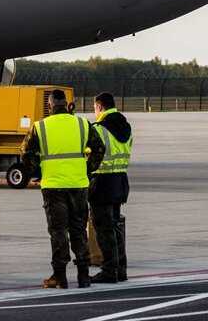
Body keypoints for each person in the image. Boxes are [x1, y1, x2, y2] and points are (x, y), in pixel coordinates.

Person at [21, 89, 104, 289]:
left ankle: (60, 276)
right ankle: (83, 276)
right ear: (67, 104)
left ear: (50, 105)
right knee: (78, 230)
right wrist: (87, 170)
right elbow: (99, 148)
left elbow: (25, 153)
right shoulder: (82, 123)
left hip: (53, 186)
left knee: (58, 231)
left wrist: (37, 172)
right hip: (78, 185)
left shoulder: (40, 126)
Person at [89, 92, 132, 283]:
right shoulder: (125, 126)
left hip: (102, 183)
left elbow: (91, 155)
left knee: (104, 229)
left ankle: (108, 271)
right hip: (120, 181)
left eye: (94, 109)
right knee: (115, 228)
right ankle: (120, 269)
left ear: (99, 107)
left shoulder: (99, 128)